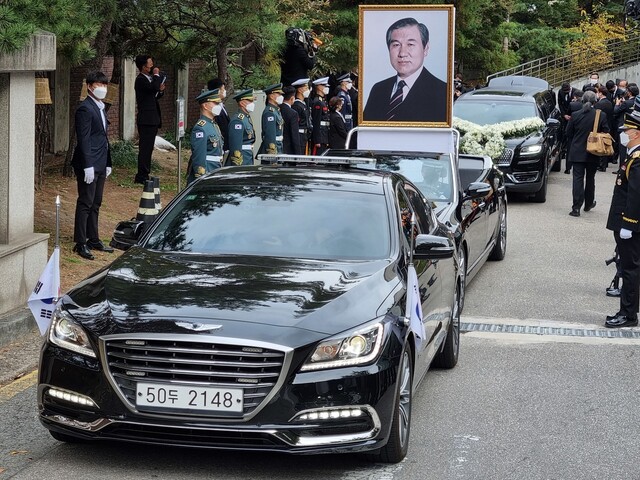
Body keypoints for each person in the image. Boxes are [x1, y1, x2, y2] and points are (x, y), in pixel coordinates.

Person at [362, 17, 447, 122]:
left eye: (410, 44)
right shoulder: (378, 89)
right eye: (396, 45)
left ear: (425, 49)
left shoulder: (442, 92)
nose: (402, 53)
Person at [71, 71, 114, 260]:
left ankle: (93, 238)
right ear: (89, 86)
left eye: (104, 85)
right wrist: (87, 165)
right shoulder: (85, 109)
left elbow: (103, 137)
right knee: (85, 202)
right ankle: (80, 242)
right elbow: (84, 139)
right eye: (98, 85)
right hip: (88, 163)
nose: (102, 88)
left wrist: (108, 162)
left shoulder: (100, 107)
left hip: (101, 161)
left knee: (96, 202)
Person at [605, 111, 640, 328]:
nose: (623, 135)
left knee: (630, 269)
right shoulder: (632, 156)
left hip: (630, 225)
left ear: (636, 134)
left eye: (626, 131)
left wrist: (628, 224)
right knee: (629, 268)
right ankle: (628, 311)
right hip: (625, 223)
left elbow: (635, 196)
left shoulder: (637, 160)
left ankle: (628, 314)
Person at [565, 90, 609, 217]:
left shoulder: (575, 114)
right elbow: (606, 131)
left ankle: (576, 207)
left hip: (577, 150)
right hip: (594, 151)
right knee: (590, 178)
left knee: (577, 179)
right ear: (595, 101)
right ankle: (588, 203)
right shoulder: (601, 115)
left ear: (582, 100)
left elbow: (568, 133)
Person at [134, 54, 165, 184]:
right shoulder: (141, 79)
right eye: (150, 64)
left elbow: (153, 95)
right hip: (146, 119)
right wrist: (157, 76)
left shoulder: (149, 79)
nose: (152, 66)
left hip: (152, 118)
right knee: (145, 148)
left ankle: (145, 173)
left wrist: (160, 90)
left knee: (148, 147)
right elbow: (153, 88)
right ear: (143, 66)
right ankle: (142, 175)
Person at [186, 89, 225, 185]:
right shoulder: (200, 128)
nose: (218, 106)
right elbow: (199, 156)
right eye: (215, 103)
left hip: (215, 168)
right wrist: (201, 177)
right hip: (207, 170)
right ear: (205, 106)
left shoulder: (213, 124)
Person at [226, 89, 256, 166]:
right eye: (250, 101)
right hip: (242, 159)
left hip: (247, 157)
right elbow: (235, 146)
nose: (252, 103)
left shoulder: (246, 118)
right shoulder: (238, 120)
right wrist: (237, 164)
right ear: (242, 103)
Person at [258, 83, 285, 158]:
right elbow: (270, 135)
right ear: (272, 96)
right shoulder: (270, 112)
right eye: (278, 94)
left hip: (279, 145)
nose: (281, 96)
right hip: (273, 149)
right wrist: (272, 154)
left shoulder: (276, 111)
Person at [207, 78, 231, 156]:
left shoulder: (221, 106)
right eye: (223, 89)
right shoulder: (215, 109)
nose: (224, 91)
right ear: (217, 91)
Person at [594, 85, 615, 171]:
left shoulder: (599, 104)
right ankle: (604, 165)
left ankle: (600, 164)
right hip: (609, 125)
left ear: (600, 93)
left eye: (598, 92)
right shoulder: (610, 103)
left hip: (600, 126)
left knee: (599, 145)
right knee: (606, 144)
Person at [291, 78, 312, 154]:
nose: (308, 90)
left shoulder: (304, 103)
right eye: (306, 88)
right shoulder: (296, 105)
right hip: (299, 135)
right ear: (299, 90)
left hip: (304, 135)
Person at [310, 76, 330, 154]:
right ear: (319, 87)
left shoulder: (323, 101)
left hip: (324, 134)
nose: (326, 88)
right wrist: (317, 139)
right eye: (324, 86)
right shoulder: (317, 102)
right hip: (320, 135)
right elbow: (316, 121)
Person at [280, 86, 302, 154]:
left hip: (280, 146)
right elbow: (294, 135)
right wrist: (298, 153)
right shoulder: (293, 113)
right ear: (292, 98)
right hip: (289, 149)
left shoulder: (277, 110)